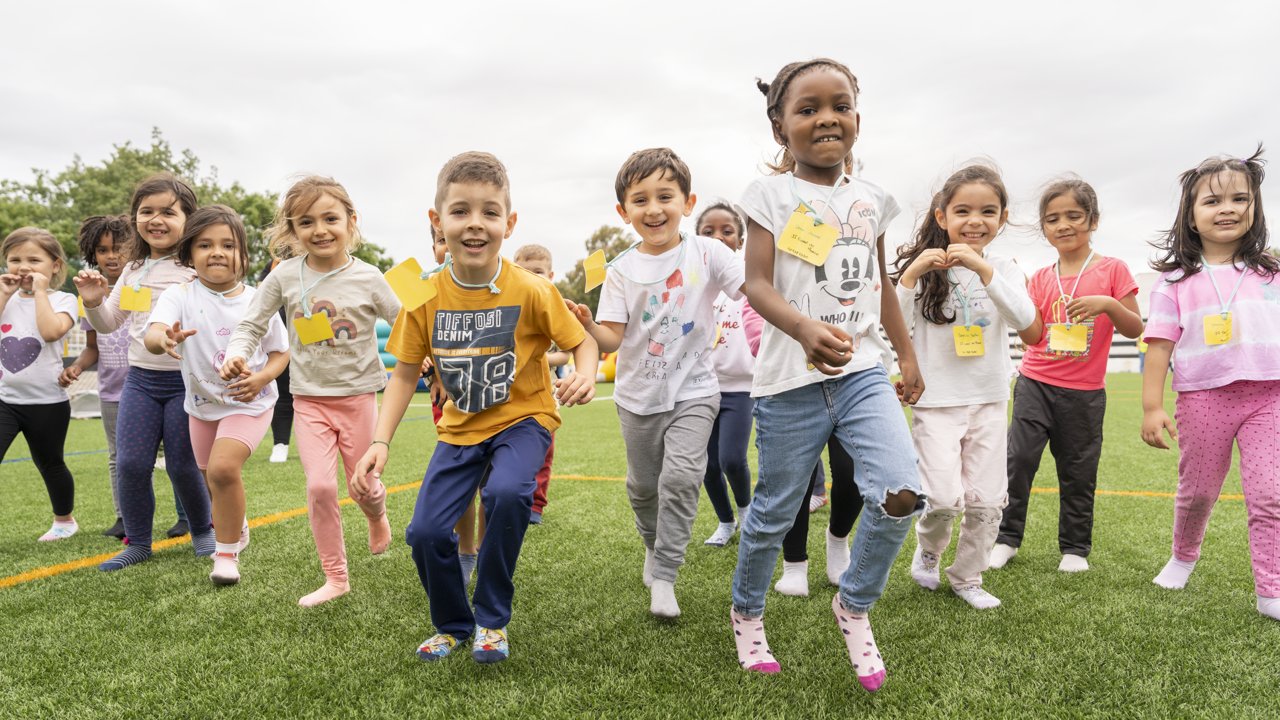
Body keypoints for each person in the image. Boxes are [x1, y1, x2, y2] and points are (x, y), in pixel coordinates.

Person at [355, 151, 597, 663]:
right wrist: (379, 442)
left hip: (524, 419)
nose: (475, 224)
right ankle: (452, 624)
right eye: (460, 210)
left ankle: (491, 619)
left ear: (508, 224)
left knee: (507, 494)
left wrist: (584, 371)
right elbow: (402, 373)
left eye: (489, 212)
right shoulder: (422, 297)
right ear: (437, 221)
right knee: (423, 532)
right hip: (459, 429)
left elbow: (582, 341)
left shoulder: (532, 288)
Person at [728, 58, 923, 692]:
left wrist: (907, 354)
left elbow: (883, 285)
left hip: (863, 370)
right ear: (781, 127)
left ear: (858, 120)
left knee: (899, 493)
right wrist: (805, 329)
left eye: (838, 105)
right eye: (806, 109)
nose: (825, 118)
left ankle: (854, 605)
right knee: (776, 510)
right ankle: (747, 613)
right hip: (790, 380)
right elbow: (756, 283)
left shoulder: (874, 200)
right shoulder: (769, 196)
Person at [568, 147, 746, 618]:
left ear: (688, 202)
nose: (653, 209)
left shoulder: (709, 252)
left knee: (683, 477)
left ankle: (665, 576)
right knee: (644, 488)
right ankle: (652, 545)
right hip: (636, 398)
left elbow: (753, 292)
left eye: (665, 196)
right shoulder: (621, 269)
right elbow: (610, 339)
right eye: (640, 200)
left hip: (696, 391)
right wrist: (587, 323)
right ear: (623, 212)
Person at [223, 176, 400, 607]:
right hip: (308, 402)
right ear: (293, 229)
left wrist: (426, 356)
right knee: (321, 487)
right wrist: (237, 352)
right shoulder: (284, 276)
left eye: (330, 219)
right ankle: (336, 577)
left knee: (364, 485)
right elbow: (252, 323)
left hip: (359, 398)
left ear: (350, 221)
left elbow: (404, 323)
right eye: (306, 222)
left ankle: (377, 515)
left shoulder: (368, 276)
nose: (319, 230)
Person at [1141, 148, 1280, 622]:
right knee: (1198, 491)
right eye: (1212, 201)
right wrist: (1151, 407)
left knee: (1269, 495)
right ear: (1191, 215)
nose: (1227, 208)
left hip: (1268, 397)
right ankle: (1183, 555)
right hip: (1203, 397)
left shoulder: (1272, 272)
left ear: (1255, 208)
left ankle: (1271, 589)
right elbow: (1158, 345)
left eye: (1240, 198)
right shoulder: (1175, 280)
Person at [893, 164, 1036, 609]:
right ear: (942, 217)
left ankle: (968, 576)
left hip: (989, 399)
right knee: (941, 497)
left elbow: (1030, 326)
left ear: (1003, 217)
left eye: (988, 211)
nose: (976, 220)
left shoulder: (1006, 268)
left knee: (987, 499)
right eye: (963, 211)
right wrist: (908, 279)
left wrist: (985, 272)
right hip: (936, 403)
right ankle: (930, 551)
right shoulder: (923, 270)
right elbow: (893, 327)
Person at [988, 176, 1144, 573]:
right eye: (1053, 218)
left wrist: (1108, 304)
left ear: (1093, 220)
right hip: (1034, 382)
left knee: (1078, 471)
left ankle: (1074, 549)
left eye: (1074, 215)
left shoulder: (1113, 270)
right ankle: (1004, 539)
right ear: (1044, 227)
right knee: (1017, 461)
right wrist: (1018, 305)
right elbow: (1035, 333)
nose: (1063, 225)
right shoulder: (1041, 277)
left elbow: (1135, 328)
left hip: (1084, 392)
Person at [79, 173, 215, 570]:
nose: (156, 219)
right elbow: (109, 322)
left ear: (188, 218)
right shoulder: (134, 268)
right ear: (135, 218)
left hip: (184, 383)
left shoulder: (196, 266)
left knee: (182, 465)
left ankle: (203, 532)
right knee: (131, 464)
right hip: (139, 381)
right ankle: (138, 543)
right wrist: (92, 301)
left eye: (168, 212)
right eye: (146, 211)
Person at [147, 206, 289, 585]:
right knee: (212, 478)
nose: (217, 252)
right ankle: (236, 522)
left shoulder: (259, 299)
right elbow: (154, 333)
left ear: (243, 254)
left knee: (225, 470)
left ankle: (225, 556)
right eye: (205, 244)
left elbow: (280, 352)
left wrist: (261, 378)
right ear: (189, 254)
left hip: (250, 402)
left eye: (228, 245)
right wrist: (164, 338)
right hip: (201, 406)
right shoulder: (178, 295)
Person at [0, 228, 80, 541]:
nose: (23, 266)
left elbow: (50, 332)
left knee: (50, 463)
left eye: (34, 259)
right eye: (15, 259)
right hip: (5, 400)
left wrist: (41, 293)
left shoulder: (63, 299)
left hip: (48, 402)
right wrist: (5, 294)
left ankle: (65, 521)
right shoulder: (4, 297)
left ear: (55, 265)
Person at [60, 215, 133, 538]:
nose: (112, 256)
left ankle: (187, 517)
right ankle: (124, 517)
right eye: (103, 250)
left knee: (176, 455)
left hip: (150, 386)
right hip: (112, 392)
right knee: (117, 458)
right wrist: (76, 366)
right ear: (94, 254)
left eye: (119, 248)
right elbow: (93, 347)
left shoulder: (142, 289)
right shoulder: (89, 294)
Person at [696, 202, 755, 547]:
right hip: (701, 388)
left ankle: (746, 512)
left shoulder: (749, 281)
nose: (718, 238)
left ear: (741, 240)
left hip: (740, 389)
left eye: (727, 231)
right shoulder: (694, 283)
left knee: (732, 458)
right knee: (706, 465)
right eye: (708, 232)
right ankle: (725, 521)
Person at [512, 243, 571, 525]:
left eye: (538, 272)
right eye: (524, 272)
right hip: (510, 397)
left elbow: (567, 350)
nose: (531, 277)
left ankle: (536, 504)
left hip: (545, 396)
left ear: (550, 275)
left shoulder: (554, 305)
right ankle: (513, 498)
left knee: (543, 454)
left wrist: (540, 358)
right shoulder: (509, 304)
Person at [257, 257, 295, 464]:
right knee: (283, 394)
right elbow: (262, 292)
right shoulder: (274, 263)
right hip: (282, 342)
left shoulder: (321, 259)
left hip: (315, 340)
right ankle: (281, 444)